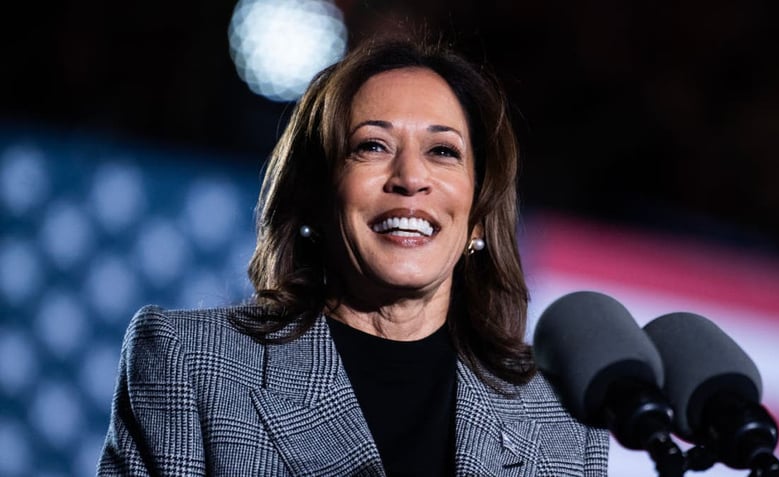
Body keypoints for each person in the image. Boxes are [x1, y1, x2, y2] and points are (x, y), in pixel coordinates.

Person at [97, 31, 609, 476]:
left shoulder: (564, 420)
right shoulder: (192, 364)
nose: (410, 179)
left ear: (477, 215)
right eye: (372, 146)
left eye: (443, 151)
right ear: (315, 199)